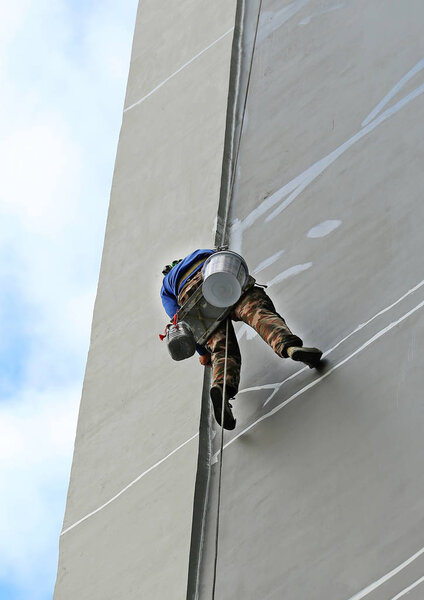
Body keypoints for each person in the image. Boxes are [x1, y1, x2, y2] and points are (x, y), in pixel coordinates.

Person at [160, 249, 322, 430]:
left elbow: (181, 322)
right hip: (215, 276)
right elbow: (225, 260)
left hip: (191, 298)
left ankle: (222, 389)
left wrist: (204, 353)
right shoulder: (198, 253)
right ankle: (289, 347)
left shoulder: (166, 285)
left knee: (221, 347)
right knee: (258, 314)